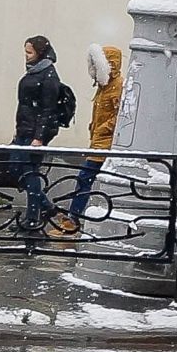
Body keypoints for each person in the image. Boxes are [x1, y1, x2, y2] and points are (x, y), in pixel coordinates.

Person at [53, 43, 124, 238]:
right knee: (88, 180)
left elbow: (120, 117)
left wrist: (101, 129)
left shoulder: (117, 86)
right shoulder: (105, 86)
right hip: (99, 143)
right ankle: (75, 219)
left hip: (105, 145)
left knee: (85, 179)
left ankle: (73, 220)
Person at [13, 34, 65, 233]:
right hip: (24, 129)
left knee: (29, 173)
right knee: (18, 169)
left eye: (29, 52)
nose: (26, 56)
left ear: (39, 52)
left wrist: (39, 137)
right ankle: (46, 207)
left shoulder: (48, 75)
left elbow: (48, 109)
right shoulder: (35, 72)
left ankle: (33, 217)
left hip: (34, 133)